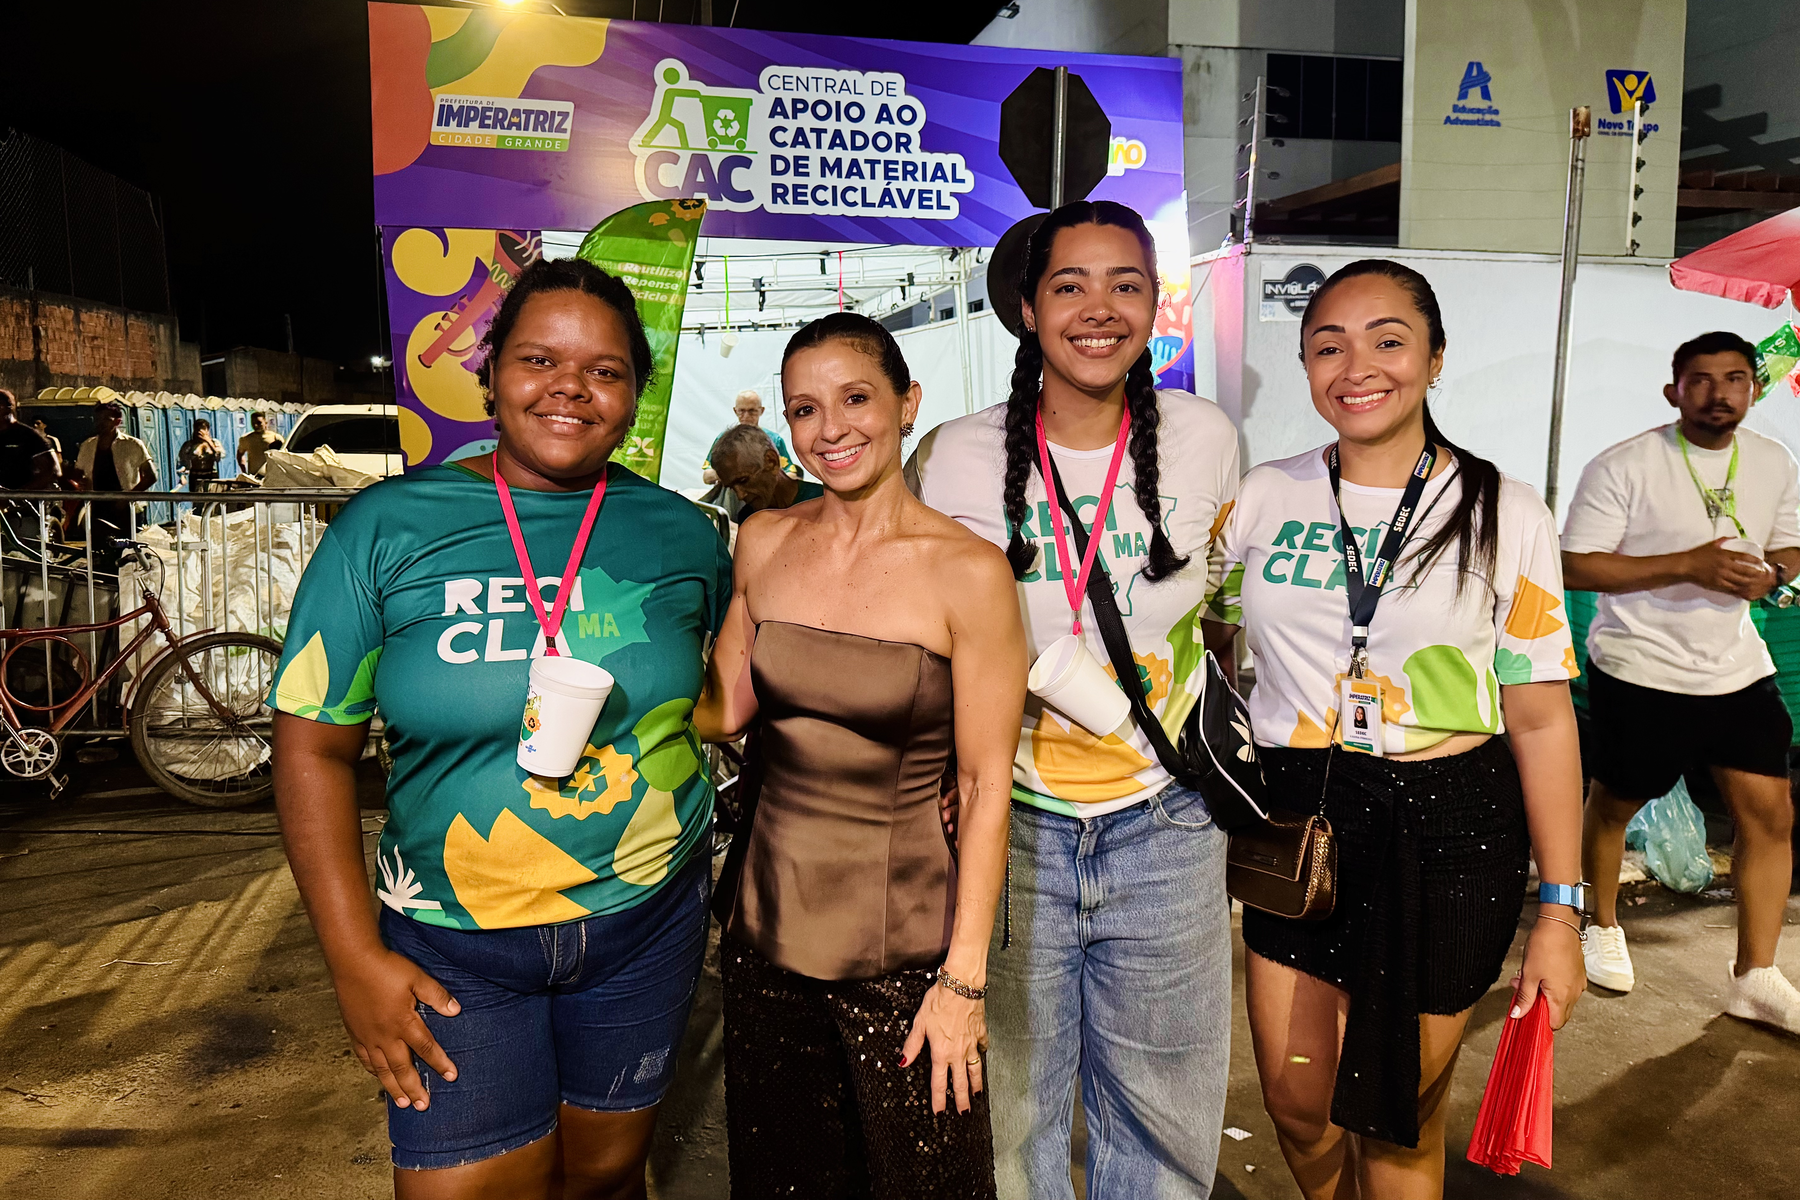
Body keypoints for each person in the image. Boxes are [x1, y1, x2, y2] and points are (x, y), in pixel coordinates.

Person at [269, 257, 730, 1199]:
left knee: (604, 1178)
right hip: (450, 939)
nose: (571, 387)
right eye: (539, 360)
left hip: (644, 924)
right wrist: (354, 960)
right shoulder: (387, 528)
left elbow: (724, 691)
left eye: (604, 370)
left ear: (636, 395)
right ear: (490, 377)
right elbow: (312, 748)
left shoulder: (683, 534)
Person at [1207, 259, 1586, 1199]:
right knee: (1299, 1104)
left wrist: (1562, 910)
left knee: (1400, 1103)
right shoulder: (1262, 496)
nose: (1356, 365)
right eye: (1327, 345)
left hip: (1449, 824)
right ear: (1304, 364)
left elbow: (1540, 720)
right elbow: (1210, 641)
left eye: (1388, 340)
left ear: (1435, 357)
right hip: (1301, 816)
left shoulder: (1505, 510)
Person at [907, 200, 1240, 1199]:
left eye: (1125, 284)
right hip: (1006, 828)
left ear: (1155, 305)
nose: (1099, 309)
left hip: (1168, 822)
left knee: (1166, 1125)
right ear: (1026, 306)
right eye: (1070, 285)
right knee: (1007, 1116)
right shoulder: (958, 457)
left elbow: (1223, 601)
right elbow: (922, 633)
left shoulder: (1205, 437)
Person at [696, 312, 1027, 1200]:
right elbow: (722, 710)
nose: (830, 429)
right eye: (805, 410)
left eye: (854, 399)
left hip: (909, 964)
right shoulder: (762, 541)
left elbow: (986, 785)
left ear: (907, 403)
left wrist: (963, 983)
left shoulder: (969, 572)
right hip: (764, 941)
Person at [1562, 330, 1800, 1030]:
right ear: (1674, 391)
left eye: (1734, 378)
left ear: (1754, 389)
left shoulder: (1772, 460)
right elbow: (1577, 563)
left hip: (1735, 664)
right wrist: (1685, 566)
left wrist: (1776, 573)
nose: (1718, 392)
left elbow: (1788, 542)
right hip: (1640, 664)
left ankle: (1755, 976)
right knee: (1614, 804)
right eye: (1700, 379)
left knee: (1770, 814)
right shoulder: (1626, 464)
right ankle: (1598, 924)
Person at [73, 400, 156, 539]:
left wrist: (127, 498)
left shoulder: (133, 444)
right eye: (98, 418)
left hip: (127, 508)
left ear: (117, 422)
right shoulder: (87, 445)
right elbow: (78, 472)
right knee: (99, 548)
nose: (100, 422)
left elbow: (151, 476)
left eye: (106, 419)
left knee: (128, 549)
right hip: (98, 507)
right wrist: (81, 483)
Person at [709, 423, 822, 521]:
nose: (740, 495)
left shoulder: (823, 502)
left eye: (744, 480)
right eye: (732, 488)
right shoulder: (749, 517)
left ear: (771, 462)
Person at [702, 388, 796, 484]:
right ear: (735, 411)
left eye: (752, 411)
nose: (746, 416)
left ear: (761, 411)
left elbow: (791, 473)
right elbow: (707, 476)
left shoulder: (774, 440)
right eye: (741, 411)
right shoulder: (724, 440)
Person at [0, 389, 59, 491]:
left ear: (8, 408)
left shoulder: (29, 435)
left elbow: (53, 471)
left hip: (21, 503)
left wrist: (18, 495)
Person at [179, 419, 225, 491]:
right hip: (196, 476)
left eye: (203, 428)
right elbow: (182, 461)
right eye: (197, 428)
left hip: (211, 475)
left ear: (207, 430)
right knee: (198, 499)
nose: (199, 431)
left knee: (213, 499)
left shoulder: (215, 443)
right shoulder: (189, 445)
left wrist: (209, 442)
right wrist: (182, 476)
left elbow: (219, 457)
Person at [238, 410, 285, 477]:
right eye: (253, 423)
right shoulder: (246, 439)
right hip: (255, 476)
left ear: (266, 422)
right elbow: (240, 455)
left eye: (259, 423)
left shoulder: (275, 438)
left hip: (273, 475)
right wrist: (244, 471)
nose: (255, 425)